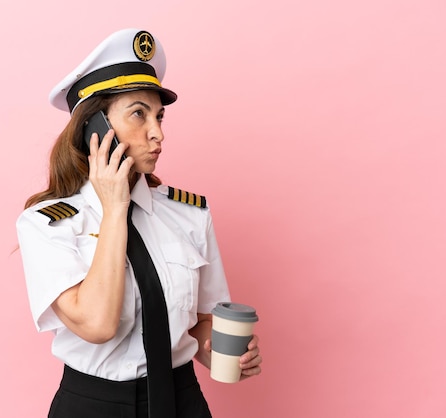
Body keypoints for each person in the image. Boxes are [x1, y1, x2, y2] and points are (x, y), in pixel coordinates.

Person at [16, 28, 262, 418]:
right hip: (92, 406)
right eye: (138, 114)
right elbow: (97, 325)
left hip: (183, 402)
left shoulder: (190, 214)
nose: (158, 133)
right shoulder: (47, 224)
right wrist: (115, 210)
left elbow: (201, 321)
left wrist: (220, 351)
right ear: (94, 127)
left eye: (160, 116)